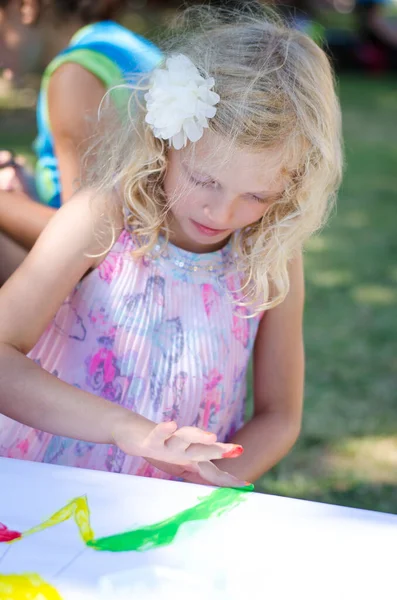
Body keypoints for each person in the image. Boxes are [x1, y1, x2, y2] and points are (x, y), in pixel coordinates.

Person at [0, 5, 343, 488]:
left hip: (167, 515)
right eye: (205, 180)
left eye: (258, 196)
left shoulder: (272, 253)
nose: (222, 215)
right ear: (164, 143)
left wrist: (207, 483)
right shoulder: (104, 216)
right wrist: (123, 429)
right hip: (44, 489)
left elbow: (279, 416)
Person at [0, 0, 162, 283]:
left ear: (23, 7)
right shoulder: (123, 46)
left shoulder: (75, 75)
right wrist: (27, 193)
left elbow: (90, 242)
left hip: (127, 291)